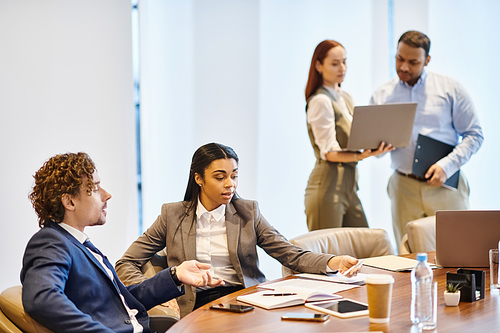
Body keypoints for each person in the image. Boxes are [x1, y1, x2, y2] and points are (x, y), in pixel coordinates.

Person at [115, 143, 363, 318]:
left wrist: (334, 261)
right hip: (196, 304)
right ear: (198, 178)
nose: (230, 184)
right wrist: (160, 291)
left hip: (246, 299)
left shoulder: (248, 212)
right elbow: (126, 263)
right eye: (220, 177)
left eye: (234, 176)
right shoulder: (173, 215)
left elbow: (290, 254)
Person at [21, 152, 223, 333]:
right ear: (69, 202)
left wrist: (175, 275)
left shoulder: (78, 244)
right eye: (95, 187)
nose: (107, 195)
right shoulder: (50, 242)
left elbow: (123, 299)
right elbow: (42, 299)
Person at [370, 30, 484, 245]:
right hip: (403, 188)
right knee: (408, 258)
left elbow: (474, 134)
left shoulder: (450, 88)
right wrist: (376, 149)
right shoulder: (382, 95)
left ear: (427, 60)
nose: (404, 67)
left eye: (413, 62)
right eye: (399, 59)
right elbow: (373, 150)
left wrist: (447, 166)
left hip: (445, 186)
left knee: (459, 252)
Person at [304, 39, 394, 231]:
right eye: (335, 64)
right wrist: (361, 155)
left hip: (350, 188)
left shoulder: (346, 97)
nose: (342, 68)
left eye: (344, 62)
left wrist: (376, 143)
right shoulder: (320, 101)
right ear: (319, 66)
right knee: (328, 255)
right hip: (328, 187)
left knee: (366, 250)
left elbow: (356, 138)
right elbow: (329, 152)